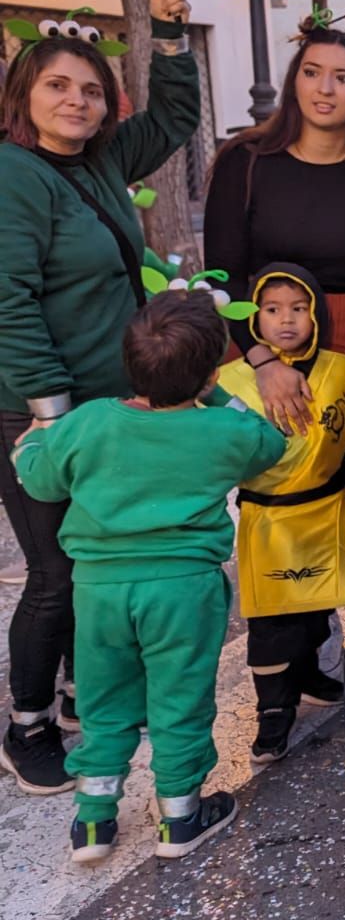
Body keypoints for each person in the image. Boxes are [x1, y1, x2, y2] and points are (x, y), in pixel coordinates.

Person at [0, 0, 199, 794]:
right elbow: (7, 300)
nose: (76, 102)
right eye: (57, 86)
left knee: (95, 558)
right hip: (37, 411)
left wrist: (171, 35)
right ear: (25, 92)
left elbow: (176, 120)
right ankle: (28, 723)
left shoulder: (103, 158)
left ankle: (87, 690)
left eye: (91, 90)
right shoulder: (14, 174)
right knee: (53, 573)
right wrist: (52, 416)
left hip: (104, 401)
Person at [12, 290, 285, 863]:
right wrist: (224, 397)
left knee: (101, 699)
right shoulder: (220, 431)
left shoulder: (88, 423)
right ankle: (181, 817)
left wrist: (32, 442)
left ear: (128, 364)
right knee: (179, 699)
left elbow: (40, 481)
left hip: (100, 589)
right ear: (209, 374)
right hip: (184, 589)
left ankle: (93, 821)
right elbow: (270, 443)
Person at [203, 12, 345, 377]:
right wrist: (264, 363)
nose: (324, 89)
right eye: (311, 72)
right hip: (258, 348)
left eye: (343, 78)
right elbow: (222, 278)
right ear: (294, 81)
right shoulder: (245, 160)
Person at [217, 266, 345, 766]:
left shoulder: (344, 370)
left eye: (299, 308)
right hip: (269, 520)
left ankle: (309, 675)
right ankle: (273, 708)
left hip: (324, 509)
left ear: (317, 312)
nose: (287, 320)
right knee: (272, 620)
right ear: (255, 317)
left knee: (314, 608)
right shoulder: (231, 381)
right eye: (272, 310)